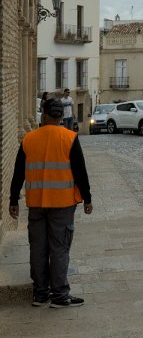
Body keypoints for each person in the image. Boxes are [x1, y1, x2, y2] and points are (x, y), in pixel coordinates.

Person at [9, 98, 93, 308]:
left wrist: (13, 200)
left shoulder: (29, 139)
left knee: (38, 248)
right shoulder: (70, 137)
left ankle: (40, 294)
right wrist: (87, 198)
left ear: (43, 114)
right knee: (59, 248)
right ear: (61, 116)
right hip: (63, 204)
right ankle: (59, 296)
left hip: (36, 203)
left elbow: (18, 173)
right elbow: (80, 172)